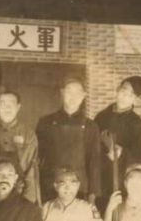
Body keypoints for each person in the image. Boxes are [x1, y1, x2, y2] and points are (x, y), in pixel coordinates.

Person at [36, 75, 101, 205]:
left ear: (84, 96)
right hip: (50, 187)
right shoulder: (45, 122)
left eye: (77, 93)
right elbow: (37, 158)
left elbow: (94, 162)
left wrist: (92, 194)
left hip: (79, 188)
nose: (73, 96)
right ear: (62, 93)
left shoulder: (91, 126)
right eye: (69, 92)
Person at [94, 76, 141, 215]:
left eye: (131, 95)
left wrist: (122, 152)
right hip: (100, 177)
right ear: (117, 90)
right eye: (123, 91)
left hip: (121, 180)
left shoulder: (137, 123)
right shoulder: (101, 117)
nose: (125, 97)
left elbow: (139, 158)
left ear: (136, 100)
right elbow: (91, 146)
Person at [0, 87, 39, 203]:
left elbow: (30, 172)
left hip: (18, 194)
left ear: (18, 107)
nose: (7, 107)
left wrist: (28, 202)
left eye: (11, 103)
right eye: (3, 103)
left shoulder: (28, 135)